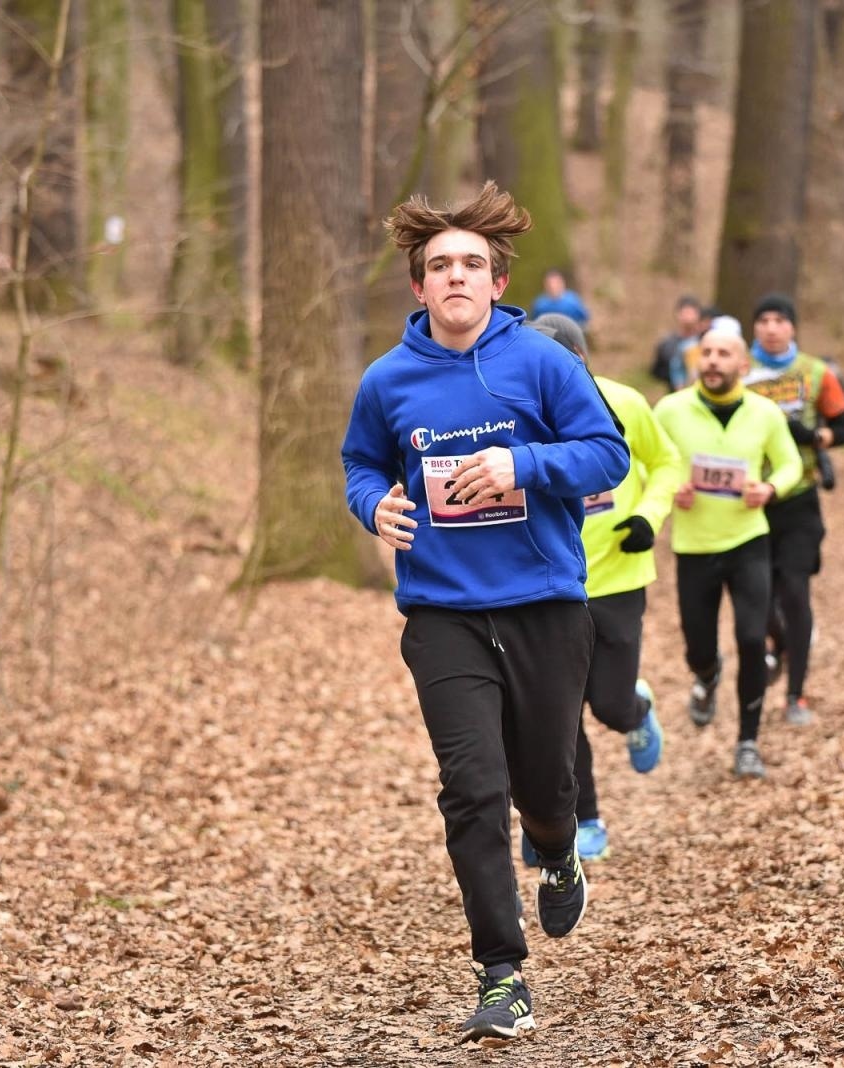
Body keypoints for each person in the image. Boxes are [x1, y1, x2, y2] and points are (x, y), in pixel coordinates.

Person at [340, 182, 629, 1042]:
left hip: (544, 605)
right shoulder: (386, 381)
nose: (456, 277)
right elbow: (360, 463)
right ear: (419, 288)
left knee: (543, 786)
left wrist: (521, 467)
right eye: (440, 266)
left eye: (472, 264)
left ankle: (558, 844)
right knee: (473, 790)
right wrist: (373, 508)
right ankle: (500, 974)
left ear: (498, 283)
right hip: (444, 615)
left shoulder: (543, 364)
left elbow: (604, 451)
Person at [526, 313, 684, 862]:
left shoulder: (624, 402)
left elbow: (666, 463)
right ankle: (584, 821)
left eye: (559, 362)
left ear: (580, 359)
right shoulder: (516, 412)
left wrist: (648, 516)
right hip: (549, 584)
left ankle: (635, 711)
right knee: (561, 716)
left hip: (618, 577)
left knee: (608, 706)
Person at [653, 326, 802, 778]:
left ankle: (748, 742)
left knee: (753, 640)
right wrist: (667, 486)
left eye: (724, 354)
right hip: (694, 546)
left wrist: (771, 487)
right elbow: (642, 460)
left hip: (747, 542)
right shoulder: (671, 410)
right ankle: (707, 674)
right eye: (708, 352)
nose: (713, 360)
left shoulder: (764, 413)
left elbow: (792, 461)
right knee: (699, 645)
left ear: (743, 365)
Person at [741, 293, 844, 725]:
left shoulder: (817, 372)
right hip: (749, 499)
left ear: (792, 327)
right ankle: (783, 645)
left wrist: (813, 437)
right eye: (763, 319)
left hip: (800, 498)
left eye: (779, 320)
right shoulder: (739, 370)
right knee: (762, 598)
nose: (771, 327)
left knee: (795, 591)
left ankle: (796, 695)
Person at [649, 295, 704, 391]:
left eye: (691, 313)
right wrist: (673, 375)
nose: (688, 317)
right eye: (685, 313)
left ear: (698, 315)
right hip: (674, 393)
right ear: (678, 314)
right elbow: (656, 371)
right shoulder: (667, 343)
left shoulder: (705, 341)